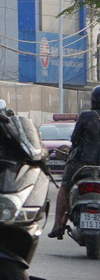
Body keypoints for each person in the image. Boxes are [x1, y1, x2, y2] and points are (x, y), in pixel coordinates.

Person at [51, 86, 100, 238]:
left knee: (65, 187)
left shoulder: (86, 116)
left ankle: (57, 225)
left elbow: (75, 139)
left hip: (80, 163)